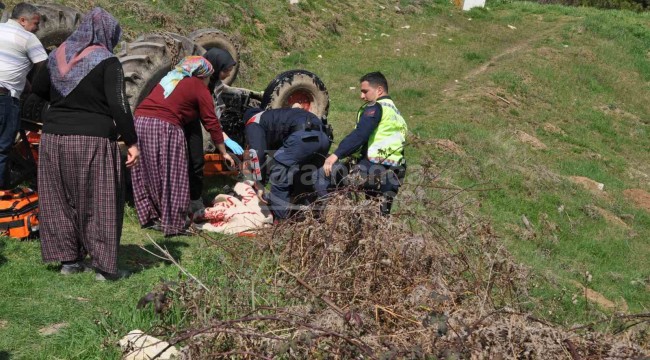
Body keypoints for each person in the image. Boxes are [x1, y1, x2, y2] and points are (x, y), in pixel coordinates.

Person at [32, 7, 139, 281]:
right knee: (100, 201)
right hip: (92, 140)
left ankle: (69, 261)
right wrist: (132, 141)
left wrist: (59, 108)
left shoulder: (56, 56)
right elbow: (119, 104)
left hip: (54, 138)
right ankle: (104, 268)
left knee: (59, 198)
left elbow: (37, 91)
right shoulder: (107, 61)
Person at [131, 56, 234, 236]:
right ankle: (174, 225)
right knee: (174, 175)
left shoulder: (170, 79)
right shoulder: (197, 86)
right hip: (165, 126)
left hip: (140, 122)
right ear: (201, 74)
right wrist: (224, 152)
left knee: (148, 172)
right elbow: (211, 122)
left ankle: (152, 216)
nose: (209, 80)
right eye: (208, 76)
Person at [315, 72, 407, 215]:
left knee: (323, 174)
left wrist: (335, 155)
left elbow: (360, 135)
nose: (362, 96)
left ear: (379, 90)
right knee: (379, 217)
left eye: (365, 91)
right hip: (395, 173)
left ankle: (334, 220)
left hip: (372, 169)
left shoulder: (376, 107)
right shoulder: (397, 114)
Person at [244, 106, 331, 220]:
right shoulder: (275, 116)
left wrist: (259, 184)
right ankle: (308, 216)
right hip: (324, 139)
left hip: (303, 137)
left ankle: (281, 224)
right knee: (303, 178)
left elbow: (256, 154)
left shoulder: (252, 122)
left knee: (279, 178)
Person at [185, 48, 243, 213]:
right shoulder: (194, 81)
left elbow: (213, 114)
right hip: (183, 121)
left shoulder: (215, 85)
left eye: (230, 71)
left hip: (197, 122)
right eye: (225, 70)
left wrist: (222, 135)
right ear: (215, 67)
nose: (227, 74)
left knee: (196, 162)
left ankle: (194, 200)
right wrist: (222, 138)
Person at [0, 2, 47, 189]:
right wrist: (39, 91)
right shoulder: (28, 38)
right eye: (35, 24)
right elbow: (45, 69)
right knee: (1, 150)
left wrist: (22, 80)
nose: (36, 28)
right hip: (4, 98)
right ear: (22, 20)